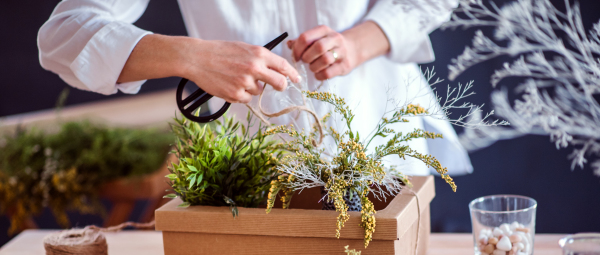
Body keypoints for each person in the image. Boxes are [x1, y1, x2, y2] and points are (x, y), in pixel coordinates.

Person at [38, 0, 472, 175]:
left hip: (381, 145)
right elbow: (63, 36)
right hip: (246, 169)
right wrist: (194, 57)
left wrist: (357, 43)